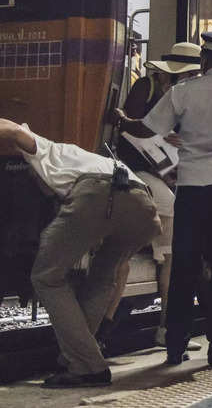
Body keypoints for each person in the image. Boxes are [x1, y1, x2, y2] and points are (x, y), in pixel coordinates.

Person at [116, 32, 212, 367]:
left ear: (204, 60)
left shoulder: (183, 92)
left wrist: (122, 120)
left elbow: (147, 129)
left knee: (185, 266)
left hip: (190, 189)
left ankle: (175, 345)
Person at [0, 119, 160, 388]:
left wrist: (19, 132)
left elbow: (14, 130)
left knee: (46, 277)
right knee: (101, 277)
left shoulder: (45, 150)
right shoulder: (82, 156)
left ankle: (87, 365)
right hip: (142, 206)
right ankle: (79, 356)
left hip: (98, 194)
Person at [98, 42, 203, 352]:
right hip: (137, 174)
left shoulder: (176, 97)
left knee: (131, 258)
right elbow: (130, 128)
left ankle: (161, 327)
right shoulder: (148, 87)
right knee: (170, 257)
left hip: (157, 176)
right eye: (190, 74)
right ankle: (166, 328)